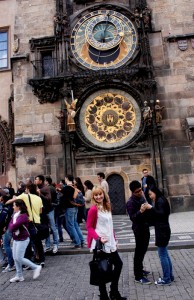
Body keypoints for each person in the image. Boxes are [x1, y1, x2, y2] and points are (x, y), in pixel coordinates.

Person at [86, 186, 126, 300]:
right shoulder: (93, 209)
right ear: (93, 197)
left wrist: (114, 240)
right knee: (102, 269)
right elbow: (89, 227)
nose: (98, 197)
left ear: (104, 194)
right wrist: (98, 238)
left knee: (118, 265)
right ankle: (104, 296)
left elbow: (110, 226)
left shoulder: (107, 206)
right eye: (96, 195)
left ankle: (113, 291)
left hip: (110, 243)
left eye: (100, 194)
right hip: (100, 244)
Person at [6, 183, 45, 267]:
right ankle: (41, 260)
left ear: (27, 189)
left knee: (26, 241)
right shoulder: (38, 198)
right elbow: (41, 211)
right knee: (38, 242)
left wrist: (7, 202)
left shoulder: (24, 196)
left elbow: (12, 201)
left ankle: (28, 260)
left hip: (29, 222)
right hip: (37, 221)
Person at [142, 185, 174, 285]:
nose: (150, 196)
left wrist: (150, 207)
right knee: (165, 254)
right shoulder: (161, 199)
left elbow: (161, 214)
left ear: (155, 192)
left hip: (162, 231)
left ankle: (166, 279)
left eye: (151, 194)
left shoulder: (160, 200)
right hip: (163, 229)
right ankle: (170, 276)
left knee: (162, 255)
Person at [8, 199, 42, 282]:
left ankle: (36, 267)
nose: (13, 207)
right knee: (16, 258)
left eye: (14, 205)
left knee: (19, 258)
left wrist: (12, 225)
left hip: (23, 239)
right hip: (16, 239)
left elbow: (12, 226)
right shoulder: (15, 215)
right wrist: (12, 225)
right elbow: (10, 226)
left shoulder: (23, 216)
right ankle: (19, 276)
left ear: (18, 207)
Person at [126, 180, 152, 285]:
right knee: (139, 252)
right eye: (137, 191)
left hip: (145, 226)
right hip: (138, 229)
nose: (140, 192)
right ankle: (138, 276)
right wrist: (140, 211)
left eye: (140, 190)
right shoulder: (130, 202)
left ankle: (140, 269)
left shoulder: (142, 197)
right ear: (132, 192)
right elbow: (133, 218)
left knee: (144, 249)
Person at [35, 175, 59, 254]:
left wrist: (40, 194)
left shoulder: (45, 188)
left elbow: (49, 199)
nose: (35, 180)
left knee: (53, 227)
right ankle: (48, 245)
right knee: (45, 228)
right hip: (42, 212)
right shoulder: (37, 188)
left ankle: (56, 244)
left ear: (41, 181)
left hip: (49, 210)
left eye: (37, 179)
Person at [60, 175, 85, 249]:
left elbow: (63, 199)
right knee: (75, 224)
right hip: (75, 207)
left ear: (66, 179)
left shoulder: (66, 188)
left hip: (69, 208)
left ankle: (77, 243)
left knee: (70, 225)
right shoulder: (74, 187)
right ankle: (82, 240)